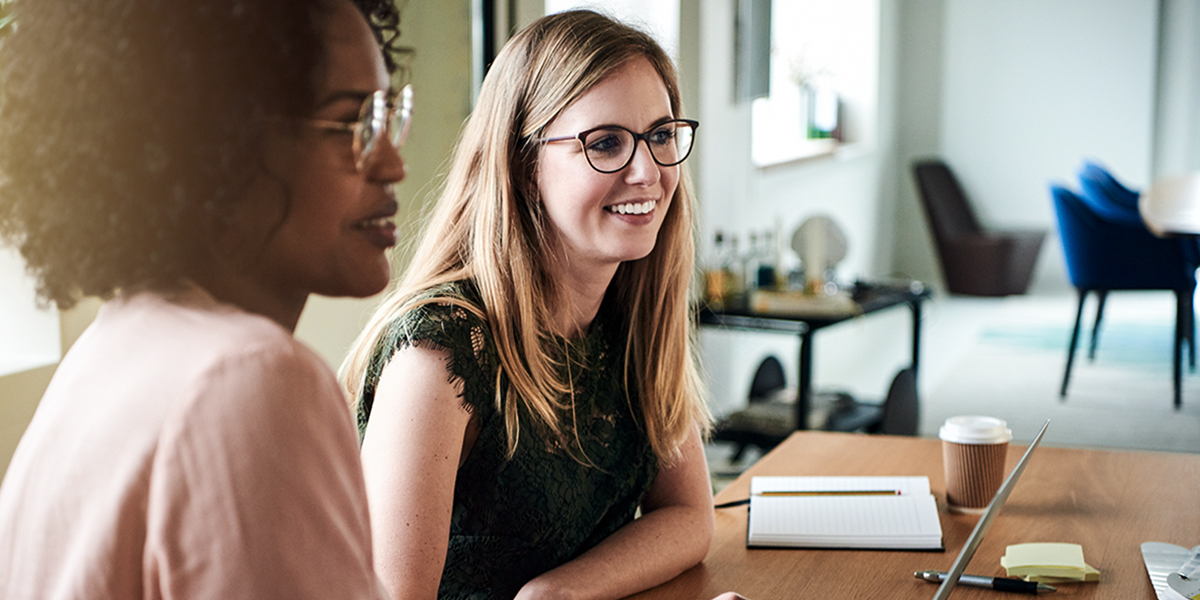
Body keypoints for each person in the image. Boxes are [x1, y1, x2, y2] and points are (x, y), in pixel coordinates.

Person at [0, 0, 408, 596]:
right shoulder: (249, 379)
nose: (391, 163)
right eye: (351, 125)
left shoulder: (115, 346)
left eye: (387, 116)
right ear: (220, 143)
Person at [342, 10, 716, 600]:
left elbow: (691, 516)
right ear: (522, 164)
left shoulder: (633, 305)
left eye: (662, 135)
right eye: (607, 143)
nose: (648, 172)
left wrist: (557, 593)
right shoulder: (440, 351)